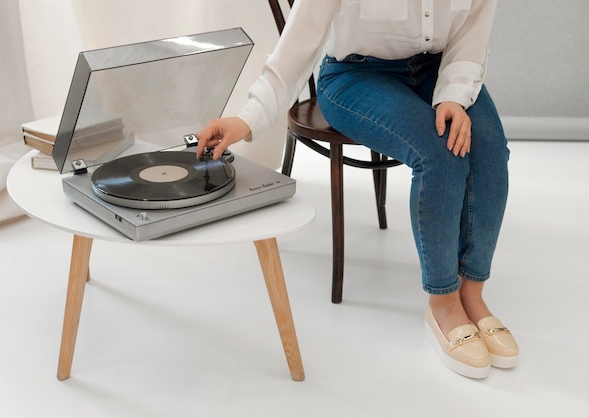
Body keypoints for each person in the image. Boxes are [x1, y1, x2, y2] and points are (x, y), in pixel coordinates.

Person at [196, 0, 518, 378]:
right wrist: (247, 118)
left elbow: (471, 34)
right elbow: (300, 44)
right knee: (440, 155)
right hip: (356, 75)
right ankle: (443, 302)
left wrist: (454, 95)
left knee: (490, 151)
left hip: (441, 66)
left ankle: (472, 293)